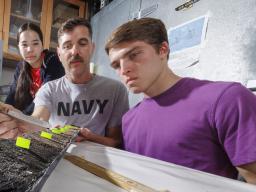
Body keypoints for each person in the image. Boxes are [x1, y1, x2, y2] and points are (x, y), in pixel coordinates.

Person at [105, 17, 256, 183]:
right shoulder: (128, 120)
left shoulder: (227, 99)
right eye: (116, 65)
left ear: (163, 50)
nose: (124, 69)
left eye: (134, 55)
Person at [0, 18, 129, 148]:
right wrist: (19, 121)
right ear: (59, 53)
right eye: (67, 46)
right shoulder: (48, 89)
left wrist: (89, 137)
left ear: (92, 48)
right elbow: (38, 119)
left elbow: (117, 143)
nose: (74, 51)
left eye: (82, 43)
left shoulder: (115, 90)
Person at [5, 23, 65, 115]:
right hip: (28, 121)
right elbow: (11, 96)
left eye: (35, 43)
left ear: (42, 44)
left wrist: (21, 116)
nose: (29, 49)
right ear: (18, 47)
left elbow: (46, 97)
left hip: (52, 121)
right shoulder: (21, 67)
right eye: (24, 45)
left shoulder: (53, 61)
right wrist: (5, 111)